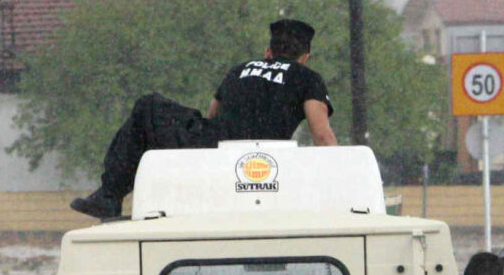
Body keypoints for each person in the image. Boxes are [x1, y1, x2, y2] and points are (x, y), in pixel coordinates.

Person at [70, 17, 339, 219]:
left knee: (148, 106)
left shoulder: (240, 69)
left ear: (268, 52)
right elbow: (321, 135)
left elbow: (213, 112)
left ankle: (109, 195)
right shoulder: (308, 77)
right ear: (305, 57)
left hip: (214, 148)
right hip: (262, 164)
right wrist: (339, 185)